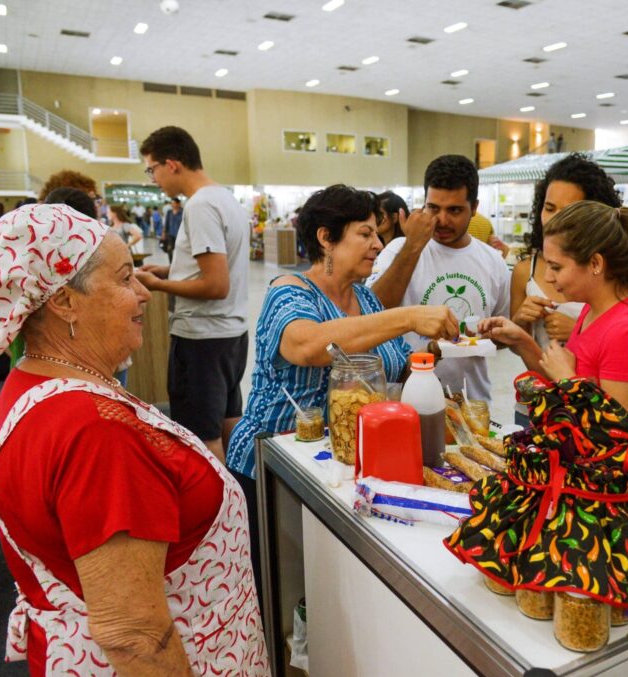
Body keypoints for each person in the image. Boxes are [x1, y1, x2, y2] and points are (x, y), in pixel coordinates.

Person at [0, 203, 269, 677]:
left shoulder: (34, 379)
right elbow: (135, 637)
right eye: (125, 278)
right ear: (64, 301)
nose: (144, 293)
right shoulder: (98, 431)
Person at [226, 185, 458, 571]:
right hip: (275, 467)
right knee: (283, 579)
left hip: (342, 472)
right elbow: (307, 346)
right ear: (326, 238)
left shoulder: (365, 299)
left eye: (378, 235)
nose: (378, 245)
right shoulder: (289, 292)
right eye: (365, 234)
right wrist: (408, 316)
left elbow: (394, 368)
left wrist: (435, 350)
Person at [480, 201, 628, 436]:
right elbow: (562, 380)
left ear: (595, 264)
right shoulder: (593, 309)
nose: (548, 277)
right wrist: (522, 340)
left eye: (556, 267)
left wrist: (568, 378)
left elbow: (620, 437)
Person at [135, 126, 249, 463]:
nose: (153, 179)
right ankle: (240, 491)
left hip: (202, 339)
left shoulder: (200, 206)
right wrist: (169, 271)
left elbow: (215, 286)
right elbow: (219, 268)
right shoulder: (224, 197)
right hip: (230, 336)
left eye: (151, 169)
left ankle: (215, 499)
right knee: (229, 422)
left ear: (171, 164)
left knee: (201, 439)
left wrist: (157, 285)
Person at [367, 154, 510, 400]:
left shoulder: (493, 261)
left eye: (454, 210)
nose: (442, 220)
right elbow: (373, 312)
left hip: (471, 403)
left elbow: (503, 335)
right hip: (408, 400)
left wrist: (482, 337)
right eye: (433, 208)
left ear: (474, 208)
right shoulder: (398, 250)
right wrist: (413, 246)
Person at [508, 153, 623, 425]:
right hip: (535, 405)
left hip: (586, 417)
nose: (554, 220)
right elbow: (517, 346)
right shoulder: (525, 270)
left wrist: (578, 332)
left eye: (568, 211)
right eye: (549, 208)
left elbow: (619, 420)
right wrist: (520, 321)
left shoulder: (608, 277)